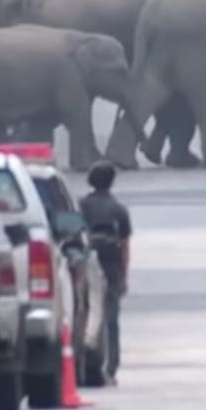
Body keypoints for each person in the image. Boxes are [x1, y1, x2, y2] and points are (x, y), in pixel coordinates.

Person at [79, 161, 133, 386]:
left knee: (84, 315)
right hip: (112, 267)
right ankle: (110, 368)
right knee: (111, 320)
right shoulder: (119, 210)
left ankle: (83, 362)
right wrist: (124, 277)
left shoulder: (80, 206)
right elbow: (125, 247)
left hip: (84, 266)